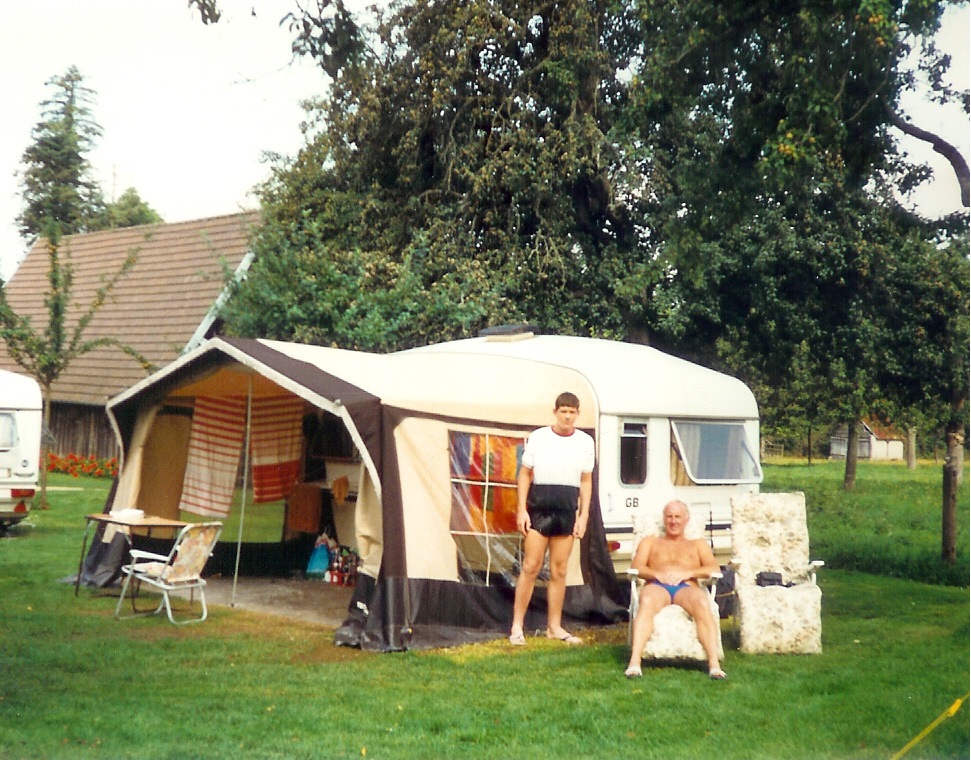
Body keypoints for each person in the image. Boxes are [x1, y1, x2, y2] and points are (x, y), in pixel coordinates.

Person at [509, 391, 595, 646]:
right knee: (531, 566)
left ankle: (554, 627)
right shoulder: (539, 437)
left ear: (578, 414)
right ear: (555, 412)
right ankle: (517, 627)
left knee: (559, 570)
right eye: (563, 411)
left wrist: (584, 515)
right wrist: (522, 509)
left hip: (567, 509)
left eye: (572, 412)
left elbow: (586, 480)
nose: (567, 416)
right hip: (539, 506)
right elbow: (525, 474)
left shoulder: (585, 442)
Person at [625, 500, 727, 680]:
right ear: (664, 519)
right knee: (646, 601)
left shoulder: (697, 544)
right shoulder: (650, 542)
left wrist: (689, 572)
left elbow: (714, 569)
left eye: (678, 517)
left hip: (686, 587)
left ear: (686, 520)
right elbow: (637, 566)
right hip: (657, 586)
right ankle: (634, 662)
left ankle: (714, 665)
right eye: (669, 517)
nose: (673, 521)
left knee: (702, 603)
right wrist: (656, 574)